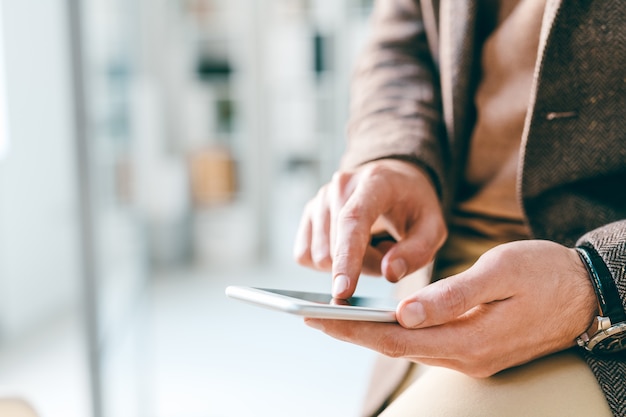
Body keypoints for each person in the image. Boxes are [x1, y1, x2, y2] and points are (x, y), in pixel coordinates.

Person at [293, 0, 626, 416]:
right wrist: (398, 156)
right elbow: (402, 33)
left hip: (602, 323)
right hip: (437, 285)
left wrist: (599, 281)